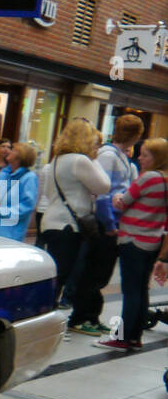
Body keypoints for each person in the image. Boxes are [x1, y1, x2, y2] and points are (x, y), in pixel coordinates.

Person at [69, 115, 145, 336]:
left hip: (114, 222)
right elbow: (102, 194)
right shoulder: (108, 156)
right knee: (94, 271)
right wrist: (111, 224)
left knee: (102, 273)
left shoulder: (120, 156)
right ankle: (80, 316)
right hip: (105, 224)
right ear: (136, 135)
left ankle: (92, 315)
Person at [36, 119, 111, 330]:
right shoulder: (80, 160)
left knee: (57, 274)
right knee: (63, 274)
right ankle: (45, 318)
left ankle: (45, 314)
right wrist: (93, 158)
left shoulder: (57, 160)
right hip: (68, 225)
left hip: (52, 221)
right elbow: (104, 186)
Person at [97, 138, 168, 351]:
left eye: (145, 155)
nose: (140, 158)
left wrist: (117, 195)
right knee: (141, 289)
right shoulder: (165, 179)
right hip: (152, 240)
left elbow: (122, 201)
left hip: (133, 239)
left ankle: (122, 337)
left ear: (157, 158)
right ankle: (135, 337)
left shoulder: (149, 178)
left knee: (130, 291)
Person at [0, 141, 39, 242]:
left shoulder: (29, 178)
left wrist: (0, 211)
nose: (9, 151)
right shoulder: (4, 174)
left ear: (20, 157)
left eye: (13, 150)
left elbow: (27, 206)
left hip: (12, 233)